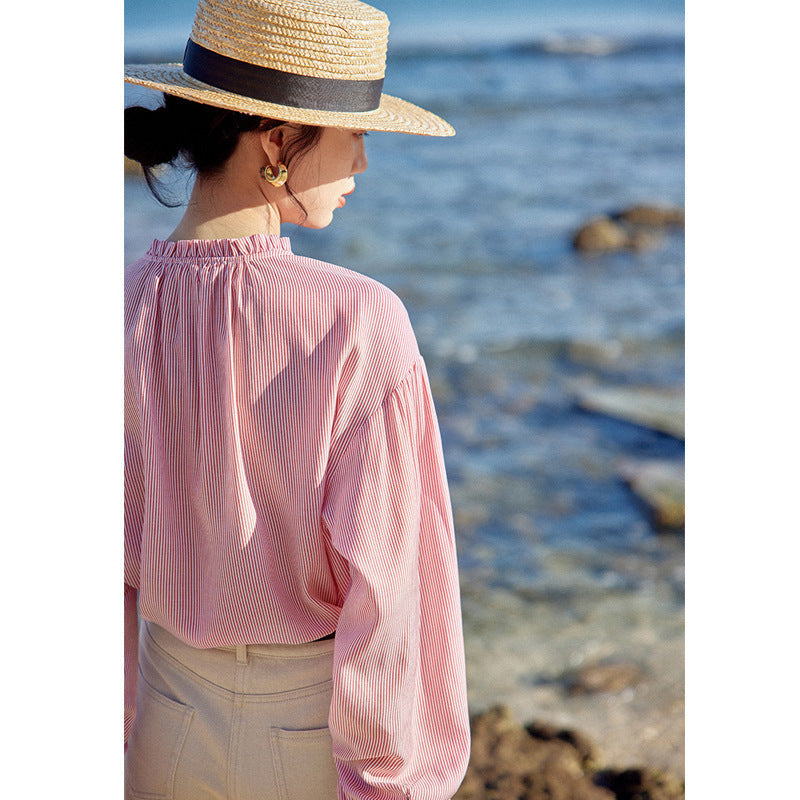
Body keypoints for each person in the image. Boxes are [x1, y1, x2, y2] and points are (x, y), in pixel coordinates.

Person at [123, 1, 470, 798]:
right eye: (356, 135)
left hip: (161, 721)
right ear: (278, 142)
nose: (364, 164)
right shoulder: (358, 317)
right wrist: (390, 779)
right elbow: (391, 587)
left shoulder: (120, 302)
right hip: (306, 738)